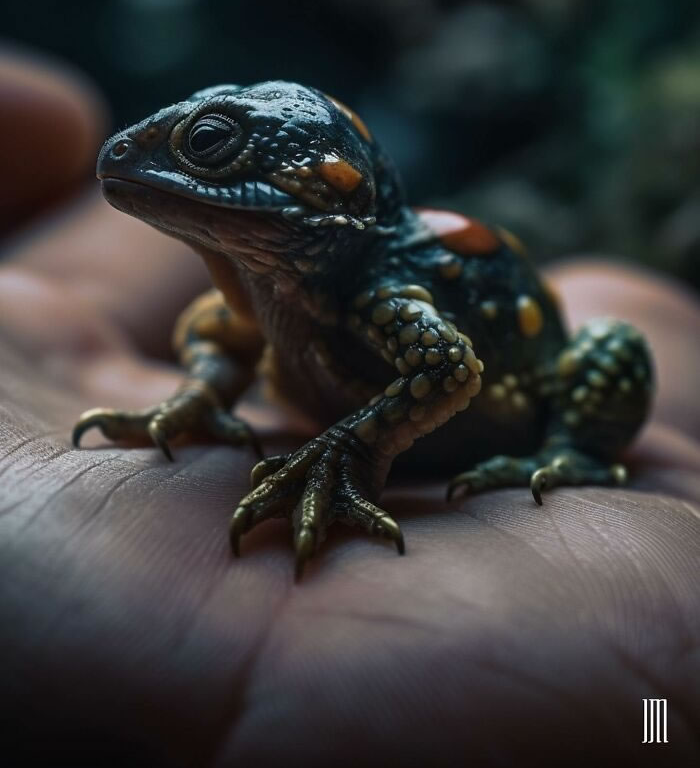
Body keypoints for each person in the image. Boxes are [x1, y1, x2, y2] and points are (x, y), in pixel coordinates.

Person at [0, 50, 698, 767]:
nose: (127, 157)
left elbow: (449, 367)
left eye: (209, 146)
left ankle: (577, 451)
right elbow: (220, 332)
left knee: (613, 345)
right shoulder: (266, 293)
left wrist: (353, 448)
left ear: (325, 180)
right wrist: (203, 393)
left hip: (525, 405)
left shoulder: (383, 288)